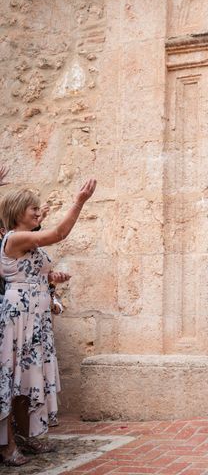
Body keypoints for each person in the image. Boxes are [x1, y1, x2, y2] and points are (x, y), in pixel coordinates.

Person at [0, 179, 96, 466]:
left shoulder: (26, 240)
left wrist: (50, 278)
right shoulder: (15, 237)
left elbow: (29, 271)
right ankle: (7, 446)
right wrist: (79, 201)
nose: (38, 213)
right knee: (13, 380)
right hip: (21, 318)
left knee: (29, 379)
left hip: (36, 317)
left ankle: (26, 436)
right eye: (33, 209)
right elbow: (59, 234)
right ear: (18, 213)